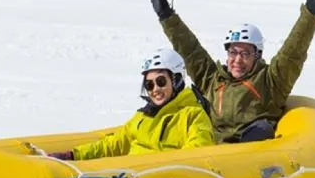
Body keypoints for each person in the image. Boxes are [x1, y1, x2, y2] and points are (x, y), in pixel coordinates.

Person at [141, 0, 315, 143]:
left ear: (257, 56)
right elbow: (189, 49)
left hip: (251, 158)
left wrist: (311, 13)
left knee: (261, 130)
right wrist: (166, 14)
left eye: (245, 54)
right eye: (233, 53)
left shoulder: (271, 82)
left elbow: (293, 52)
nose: (237, 60)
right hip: (213, 157)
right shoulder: (213, 80)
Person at [48, 48, 215, 160]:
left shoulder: (192, 115)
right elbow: (115, 144)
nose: (155, 89)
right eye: (149, 85)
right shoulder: (143, 116)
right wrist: (73, 156)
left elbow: (196, 155)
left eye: (161, 81)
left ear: (177, 80)